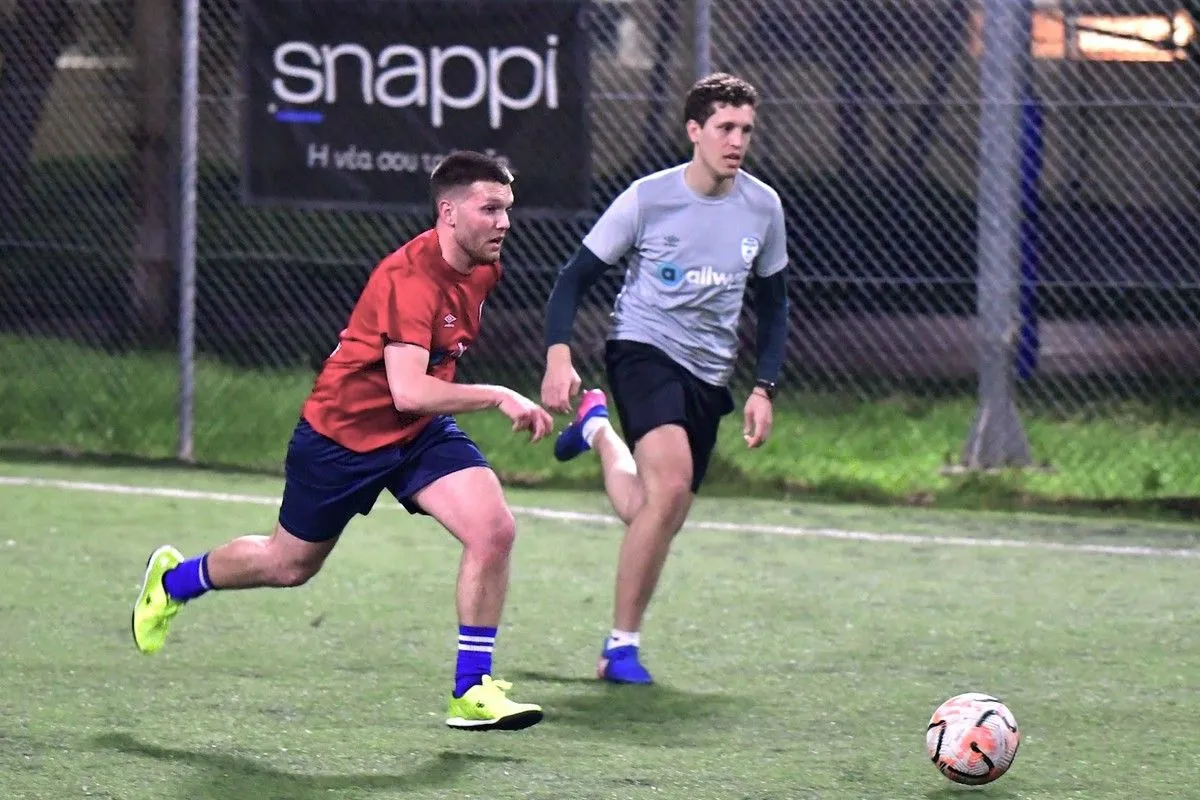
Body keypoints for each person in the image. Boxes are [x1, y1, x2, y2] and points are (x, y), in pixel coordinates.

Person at [132, 150, 553, 731]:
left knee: (493, 530)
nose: (504, 222)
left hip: (417, 433)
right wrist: (499, 394)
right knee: (288, 565)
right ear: (448, 212)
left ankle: (471, 689)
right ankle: (173, 582)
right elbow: (408, 389)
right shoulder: (409, 279)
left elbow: (419, 393)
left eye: (507, 209)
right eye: (490, 209)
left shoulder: (483, 267)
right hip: (342, 437)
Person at [540, 72, 791, 685]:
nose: (737, 141)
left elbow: (775, 302)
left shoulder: (763, 206)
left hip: (710, 373)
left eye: (746, 129)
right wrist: (557, 355)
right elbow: (573, 279)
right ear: (694, 131)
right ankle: (619, 648)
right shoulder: (647, 199)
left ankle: (598, 431)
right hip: (642, 350)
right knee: (671, 486)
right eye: (725, 128)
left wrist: (764, 387)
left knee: (654, 510)